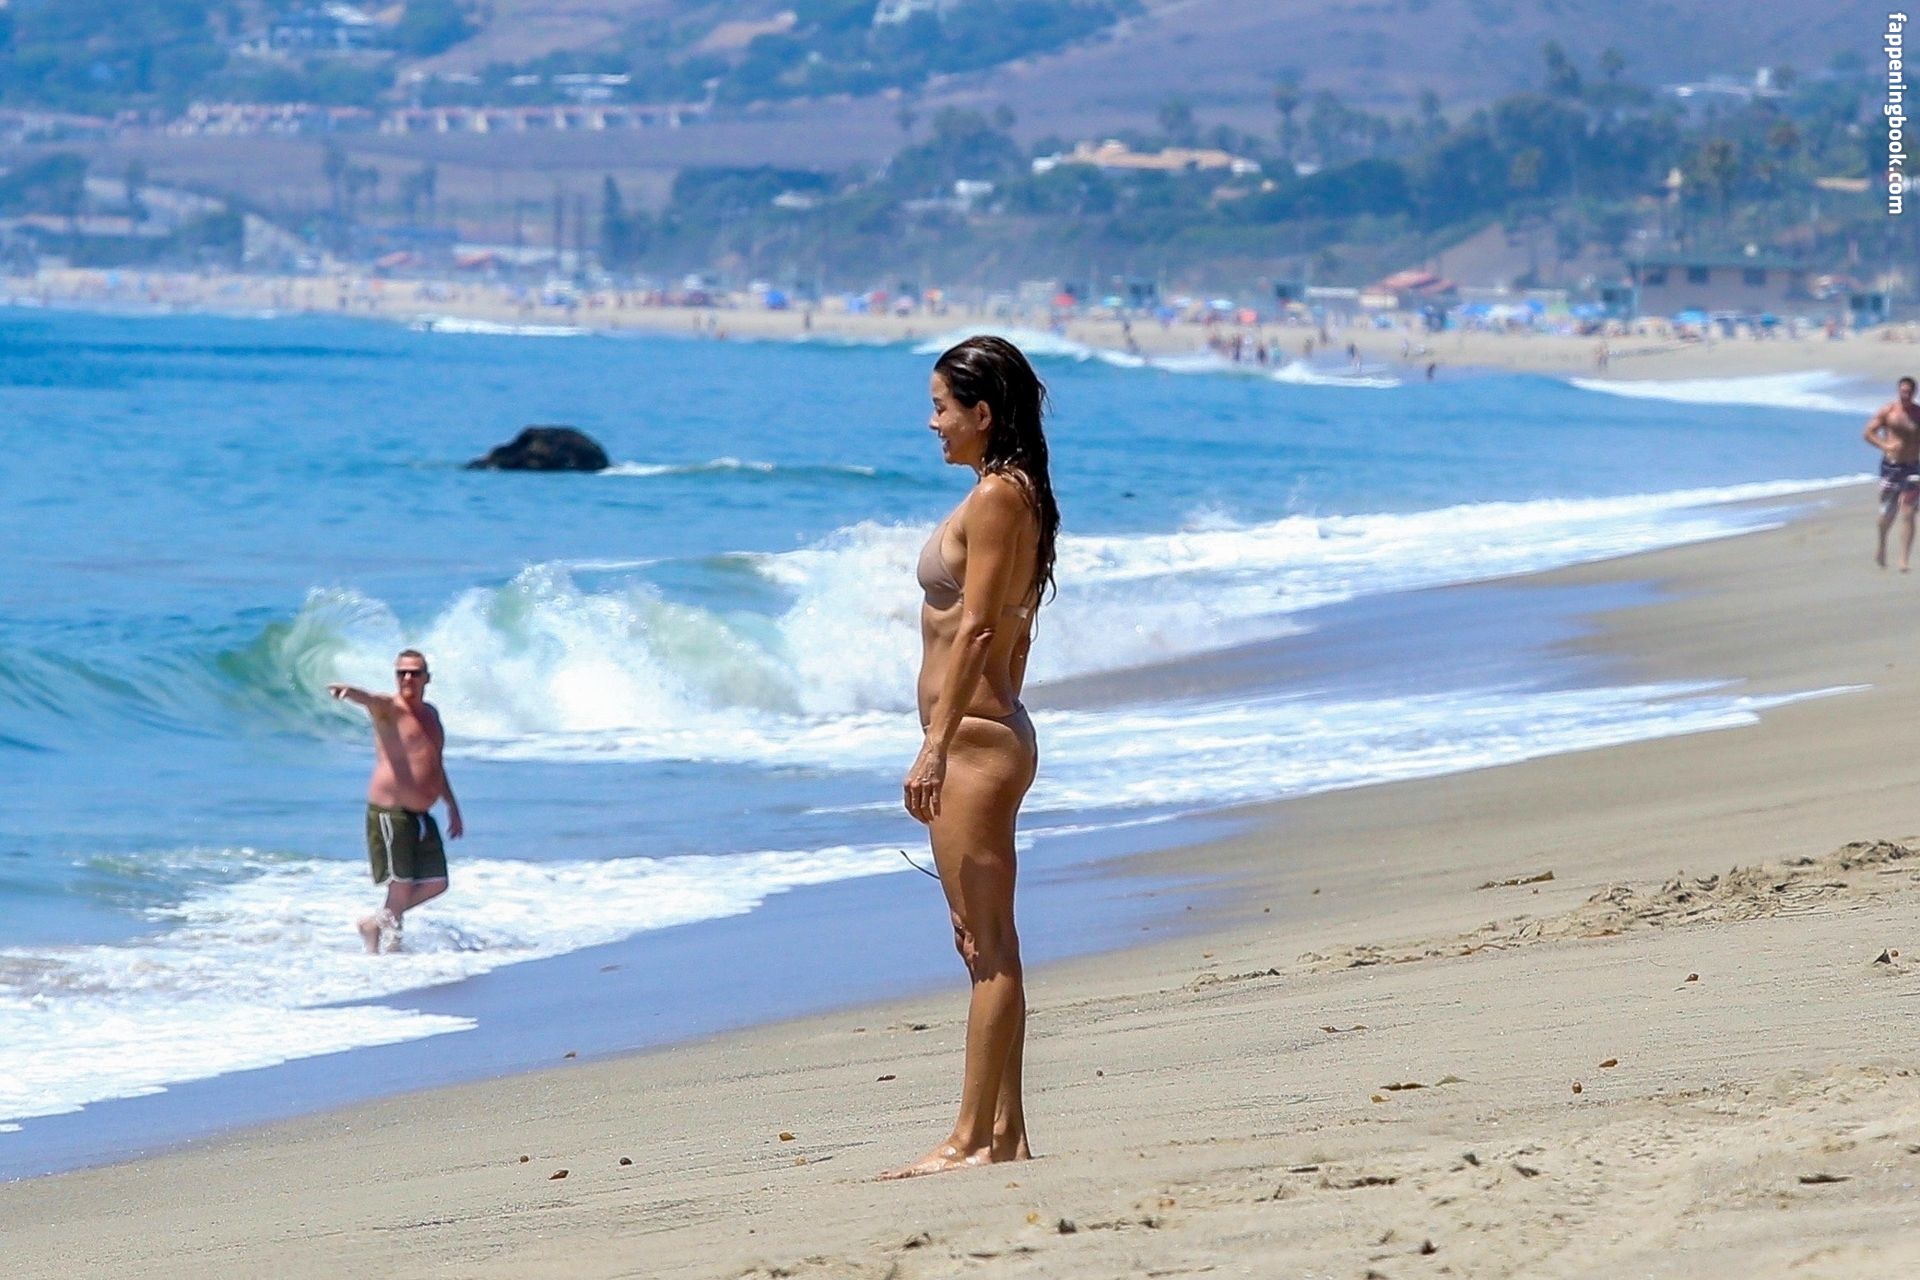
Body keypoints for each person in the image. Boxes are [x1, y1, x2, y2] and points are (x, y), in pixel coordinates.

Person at [884, 335, 1060, 1180]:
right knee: (982, 943)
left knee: (987, 947)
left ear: (982, 413)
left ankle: (969, 1140)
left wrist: (935, 744)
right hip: (988, 734)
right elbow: (1007, 632)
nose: (933, 423)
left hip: (974, 745)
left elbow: (984, 629)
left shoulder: (996, 497)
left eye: (942, 408)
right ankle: (1007, 1132)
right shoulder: (1018, 493)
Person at [328, 649, 463, 952]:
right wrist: (350, 692)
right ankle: (389, 953)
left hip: (421, 815)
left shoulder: (431, 715)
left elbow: (435, 765)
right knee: (400, 885)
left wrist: (452, 805)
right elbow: (370, 699)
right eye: (402, 672)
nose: (408, 678)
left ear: (427, 678)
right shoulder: (389, 709)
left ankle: (375, 923)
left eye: (415, 672)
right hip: (390, 812)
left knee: (437, 882)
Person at [1864, 376, 1920, 570]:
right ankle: (1882, 546)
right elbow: (1868, 433)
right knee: (1887, 513)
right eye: (1902, 391)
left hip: (1913, 467)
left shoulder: (1918, 413)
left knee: (1909, 511)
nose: (1905, 395)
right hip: (1891, 467)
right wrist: (1884, 445)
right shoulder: (1888, 411)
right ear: (1898, 391)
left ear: (1914, 393)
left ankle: (1904, 559)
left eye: (1909, 392)